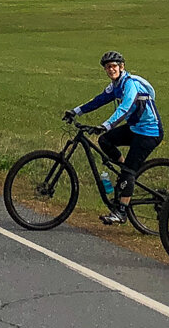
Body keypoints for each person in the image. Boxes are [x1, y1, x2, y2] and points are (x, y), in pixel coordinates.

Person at [66, 51, 163, 225]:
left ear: (121, 67)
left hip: (149, 132)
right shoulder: (115, 85)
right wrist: (76, 111)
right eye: (107, 67)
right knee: (105, 140)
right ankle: (124, 173)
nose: (111, 70)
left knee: (128, 172)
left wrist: (106, 125)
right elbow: (99, 100)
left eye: (114, 66)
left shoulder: (130, 84)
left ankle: (121, 212)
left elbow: (125, 108)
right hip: (135, 128)